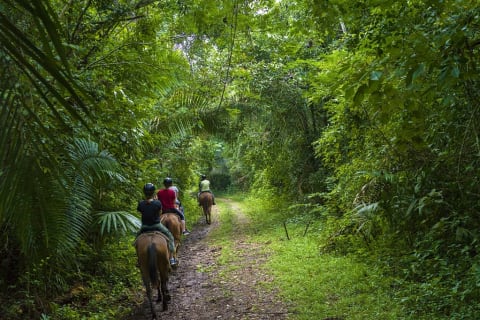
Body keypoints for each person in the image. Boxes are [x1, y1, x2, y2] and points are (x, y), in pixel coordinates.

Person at [136, 183, 177, 266]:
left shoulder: (141, 203)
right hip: (157, 226)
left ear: (144, 192)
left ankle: (138, 259)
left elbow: (141, 211)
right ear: (153, 192)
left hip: (144, 227)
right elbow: (160, 212)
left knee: (136, 241)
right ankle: (172, 258)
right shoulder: (157, 203)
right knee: (171, 237)